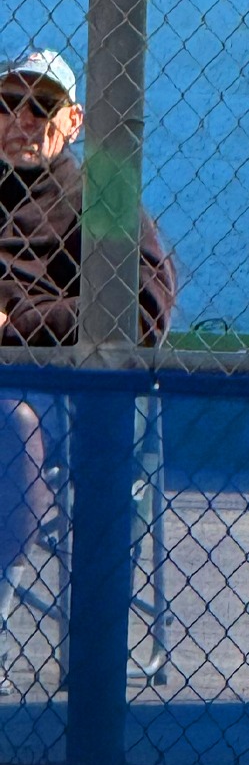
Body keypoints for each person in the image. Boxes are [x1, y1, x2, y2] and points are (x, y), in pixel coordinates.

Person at [0, 47, 176, 575]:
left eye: (41, 106)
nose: (22, 121)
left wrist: (16, 326)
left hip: (47, 385)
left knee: (9, 423)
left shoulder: (98, 197)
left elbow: (143, 312)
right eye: (9, 103)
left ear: (73, 121)